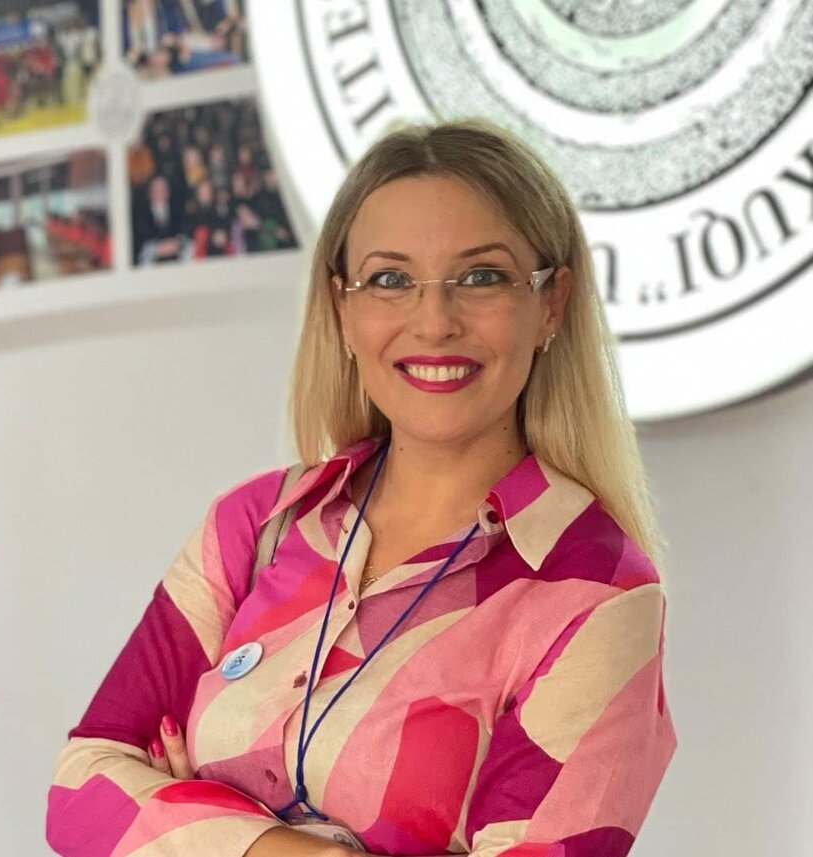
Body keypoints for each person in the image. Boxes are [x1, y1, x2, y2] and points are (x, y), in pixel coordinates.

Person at [46, 118, 677, 856]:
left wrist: (187, 820)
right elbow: (80, 790)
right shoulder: (258, 524)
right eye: (389, 280)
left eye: (481, 277)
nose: (433, 322)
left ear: (551, 303)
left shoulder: (598, 593)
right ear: (342, 308)